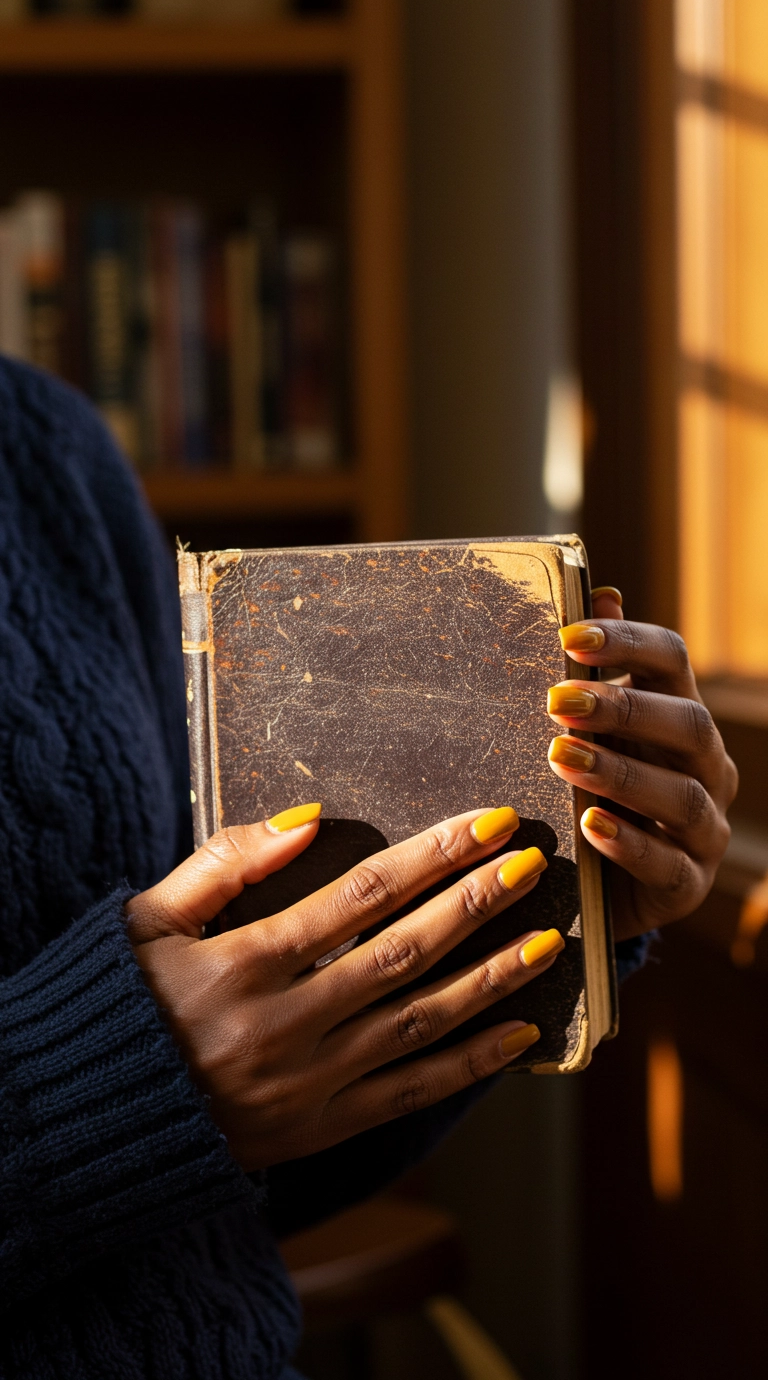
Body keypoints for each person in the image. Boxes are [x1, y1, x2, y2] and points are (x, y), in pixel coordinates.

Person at [0, 357, 736, 1380]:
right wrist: (111, 1083)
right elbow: (162, 1093)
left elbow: (224, 1169)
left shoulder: (45, 451)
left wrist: (566, 901)